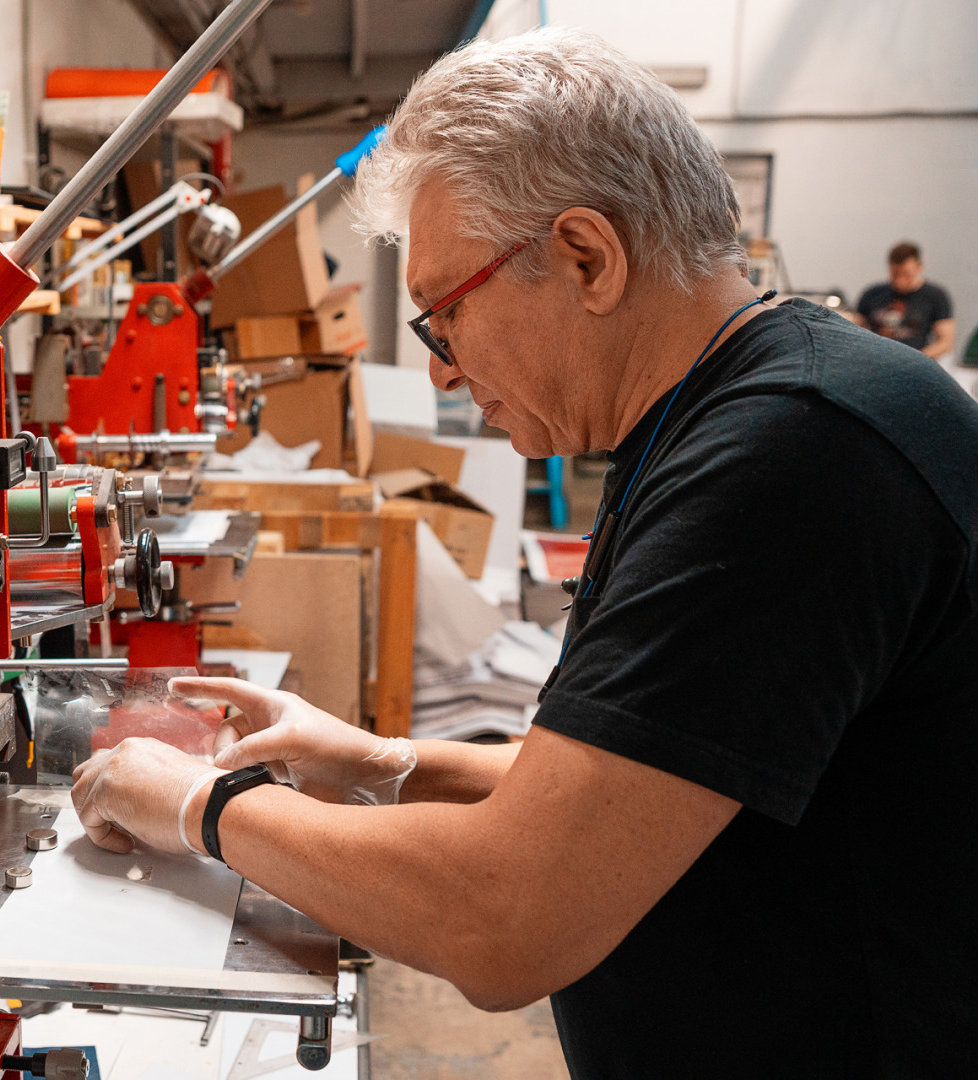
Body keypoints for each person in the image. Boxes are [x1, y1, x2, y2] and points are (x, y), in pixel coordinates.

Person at [71, 27, 978, 1079]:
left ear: (587, 257)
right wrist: (378, 764)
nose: (446, 373)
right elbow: (630, 774)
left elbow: (506, 917)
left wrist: (193, 803)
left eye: (446, 318)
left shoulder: (798, 455)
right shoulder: (741, 419)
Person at [853, 241, 955, 357]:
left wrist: (917, 359)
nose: (900, 281)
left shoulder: (935, 296)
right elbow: (854, 330)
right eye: (895, 274)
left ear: (919, 267)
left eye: (907, 274)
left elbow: (946, 342)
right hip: (875, 360)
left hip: (915, 363)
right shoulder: (872, 293)